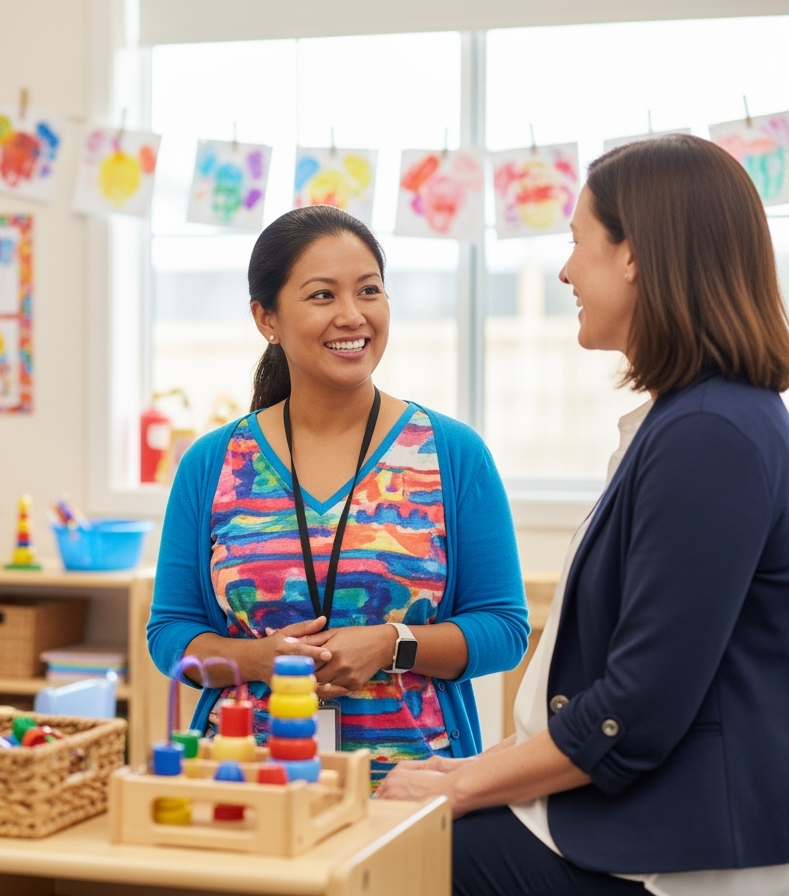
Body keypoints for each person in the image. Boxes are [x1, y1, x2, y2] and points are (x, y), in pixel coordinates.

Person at [377, 134, 789, 896]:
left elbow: (638, 708)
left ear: (634, 256)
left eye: (577, 242)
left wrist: (466, 786)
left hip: (683, 851)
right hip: (648, 815)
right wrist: (478, 769)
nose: (565, 270)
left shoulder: (711, 434)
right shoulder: (692, 420)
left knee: (398, 858)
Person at [148, 205, 529, 787]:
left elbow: (504, 631)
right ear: (266, 318)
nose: (352, 316)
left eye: (369, 291)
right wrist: (257, 660)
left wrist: (393, 645)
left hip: (411, 790)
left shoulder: (452, 454)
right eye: (322, 295)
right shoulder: (212, 463)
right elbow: (170, 635)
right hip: (245, 784)